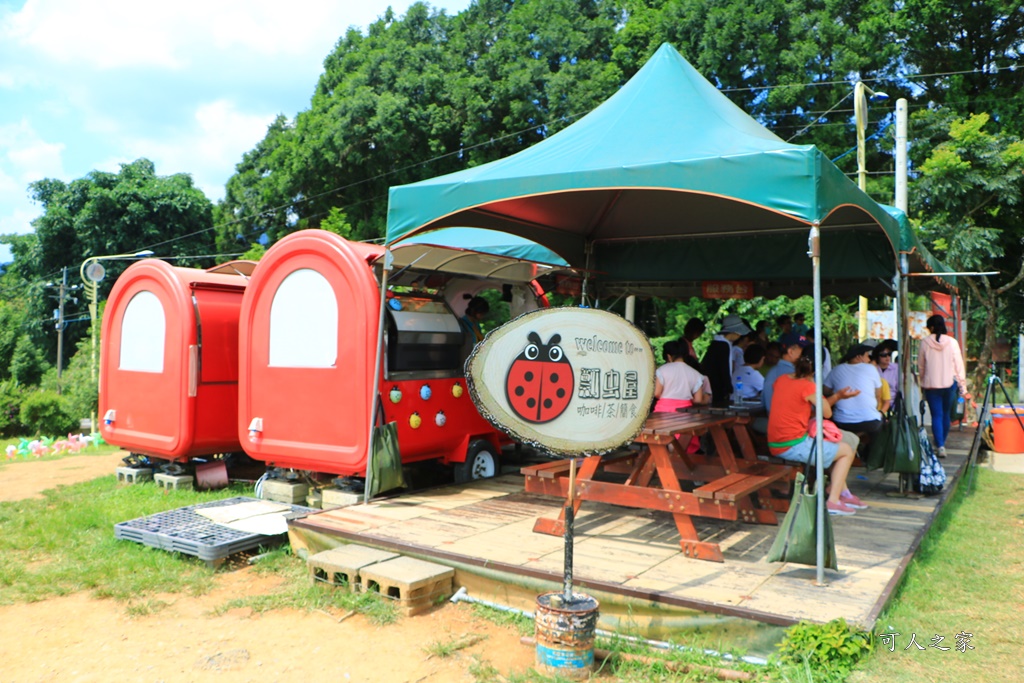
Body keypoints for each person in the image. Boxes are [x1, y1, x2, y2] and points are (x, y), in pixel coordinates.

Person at [767, 345, 866, 516]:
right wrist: (822, 389)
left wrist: (835, 396)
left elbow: (798, 404)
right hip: (791, 444)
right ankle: (833, 501)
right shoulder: (808, 386)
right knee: (846, 451)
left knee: (839, 444)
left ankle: (843, 492)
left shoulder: (781, 379)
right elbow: (826, 413)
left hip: (777, 440)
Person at [918, 315, 969, 458]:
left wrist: (922, 382)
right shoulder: (952, 342)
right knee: (946, 414)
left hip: (931, 385)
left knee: (936, 415)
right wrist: (962, 385)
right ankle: (942, 444)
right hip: (949, 384)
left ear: (932, 327)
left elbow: (921, 366)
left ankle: (940, 445)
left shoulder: (925, 343)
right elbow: (959, 365)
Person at [823, 344, 884, 437]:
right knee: (880, 423)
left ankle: (855, 441)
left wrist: (836, 393)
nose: (869, 360)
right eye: (867, 356)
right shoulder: (871, 368)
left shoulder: (836, 369)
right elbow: (878, 395)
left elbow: (825, 391)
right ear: (859, 357)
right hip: (870, 421)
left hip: (842, 422)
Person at [701, 314, 751, 407]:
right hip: (717, 388)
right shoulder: (723, 345)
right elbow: (724, 368)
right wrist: (728, 388)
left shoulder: (716, 343)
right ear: (733, 332)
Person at [653, 340, 706, 412]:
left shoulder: (662, 370)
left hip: (663, 410)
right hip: (686, 411)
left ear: (669, 356)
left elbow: (656, 393)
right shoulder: (695, 373)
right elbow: (698, 400)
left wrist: (667, 398)